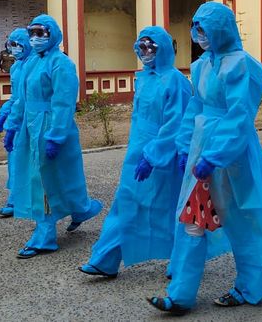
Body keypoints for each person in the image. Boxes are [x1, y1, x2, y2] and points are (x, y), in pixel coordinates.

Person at [148, 2, 262, 314]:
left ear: (220, 28)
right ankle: (180, 295)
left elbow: (238, 117)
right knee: (192, 218)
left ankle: (251, 284)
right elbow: (195, 107)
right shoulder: (202, 65)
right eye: (195, 28)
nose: (198, 35)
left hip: (230, 156)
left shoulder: (240, 65)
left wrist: (216, 155)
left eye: (203, 28)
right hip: (200, 150)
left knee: (235, 220)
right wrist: (183, 146)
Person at [79, 26, 191, 278]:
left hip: (164, 156)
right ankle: (105, 259)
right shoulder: (143, 78)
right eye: (140, 47)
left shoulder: (175, 81)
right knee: (127, 201)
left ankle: (181, 259)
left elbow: (176, 124)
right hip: (137, 152)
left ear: (162, 48)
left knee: (168, 206)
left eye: (150, 47)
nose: (144, 53)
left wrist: (154, 155)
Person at [3, 14, 102, 258]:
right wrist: (13, 126)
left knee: (44, 178)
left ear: (53, 35)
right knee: (50, 175)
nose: (35, 38)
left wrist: (56, 136)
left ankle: (45, 233)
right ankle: (81, 209)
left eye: (41, 33)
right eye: (32, 33)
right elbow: (22, 99)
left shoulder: (61, 63)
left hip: (50, 125)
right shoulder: (31, 63)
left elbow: (63, 103)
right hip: (30, 125)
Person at [0, 28, 31, 218]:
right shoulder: (16, 67)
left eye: (19, 44)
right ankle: (15, 198)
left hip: (32, 118)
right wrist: (5, 110)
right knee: (15, 158)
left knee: (30, 161)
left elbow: (28, 98)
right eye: (12, 45)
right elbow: (16, 96)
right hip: (18, 116)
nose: (15, 49)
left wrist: (13, 119)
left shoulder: (34, 65)